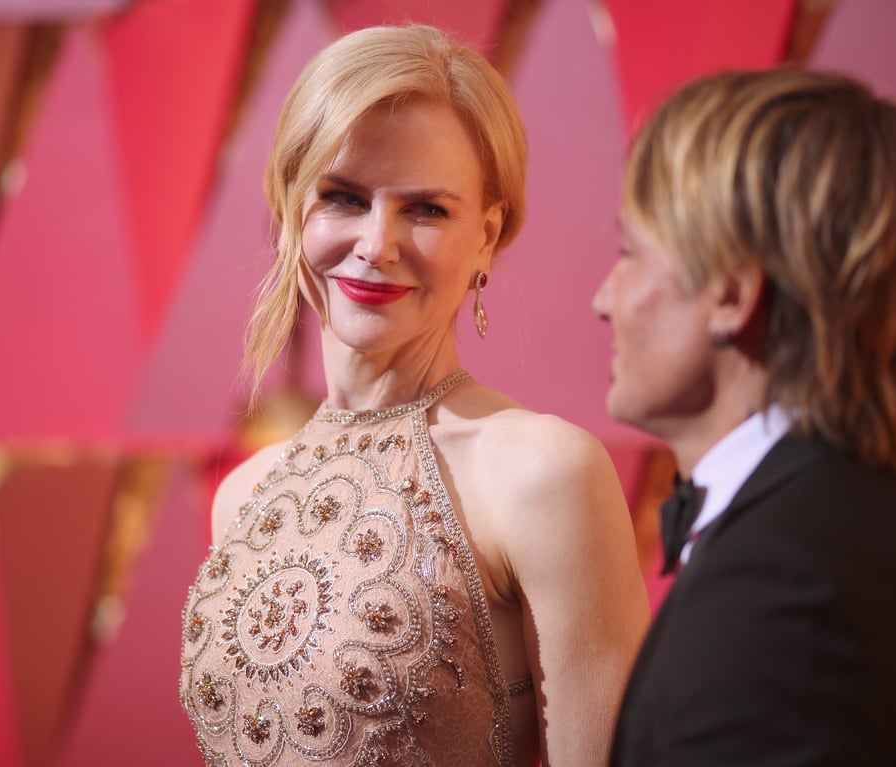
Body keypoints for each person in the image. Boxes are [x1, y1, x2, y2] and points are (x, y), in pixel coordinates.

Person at [179, 24, 649, 767]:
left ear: (487, 235)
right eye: (343, 197)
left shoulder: (542, 471)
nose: (377, 242)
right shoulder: (244, 495)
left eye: (426, 209)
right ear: (293, 206)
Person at [594, 68, 896, 766]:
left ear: (731, 293)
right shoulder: (857, 529)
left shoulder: (778, 591)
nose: (602, 300)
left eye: (629, 254)